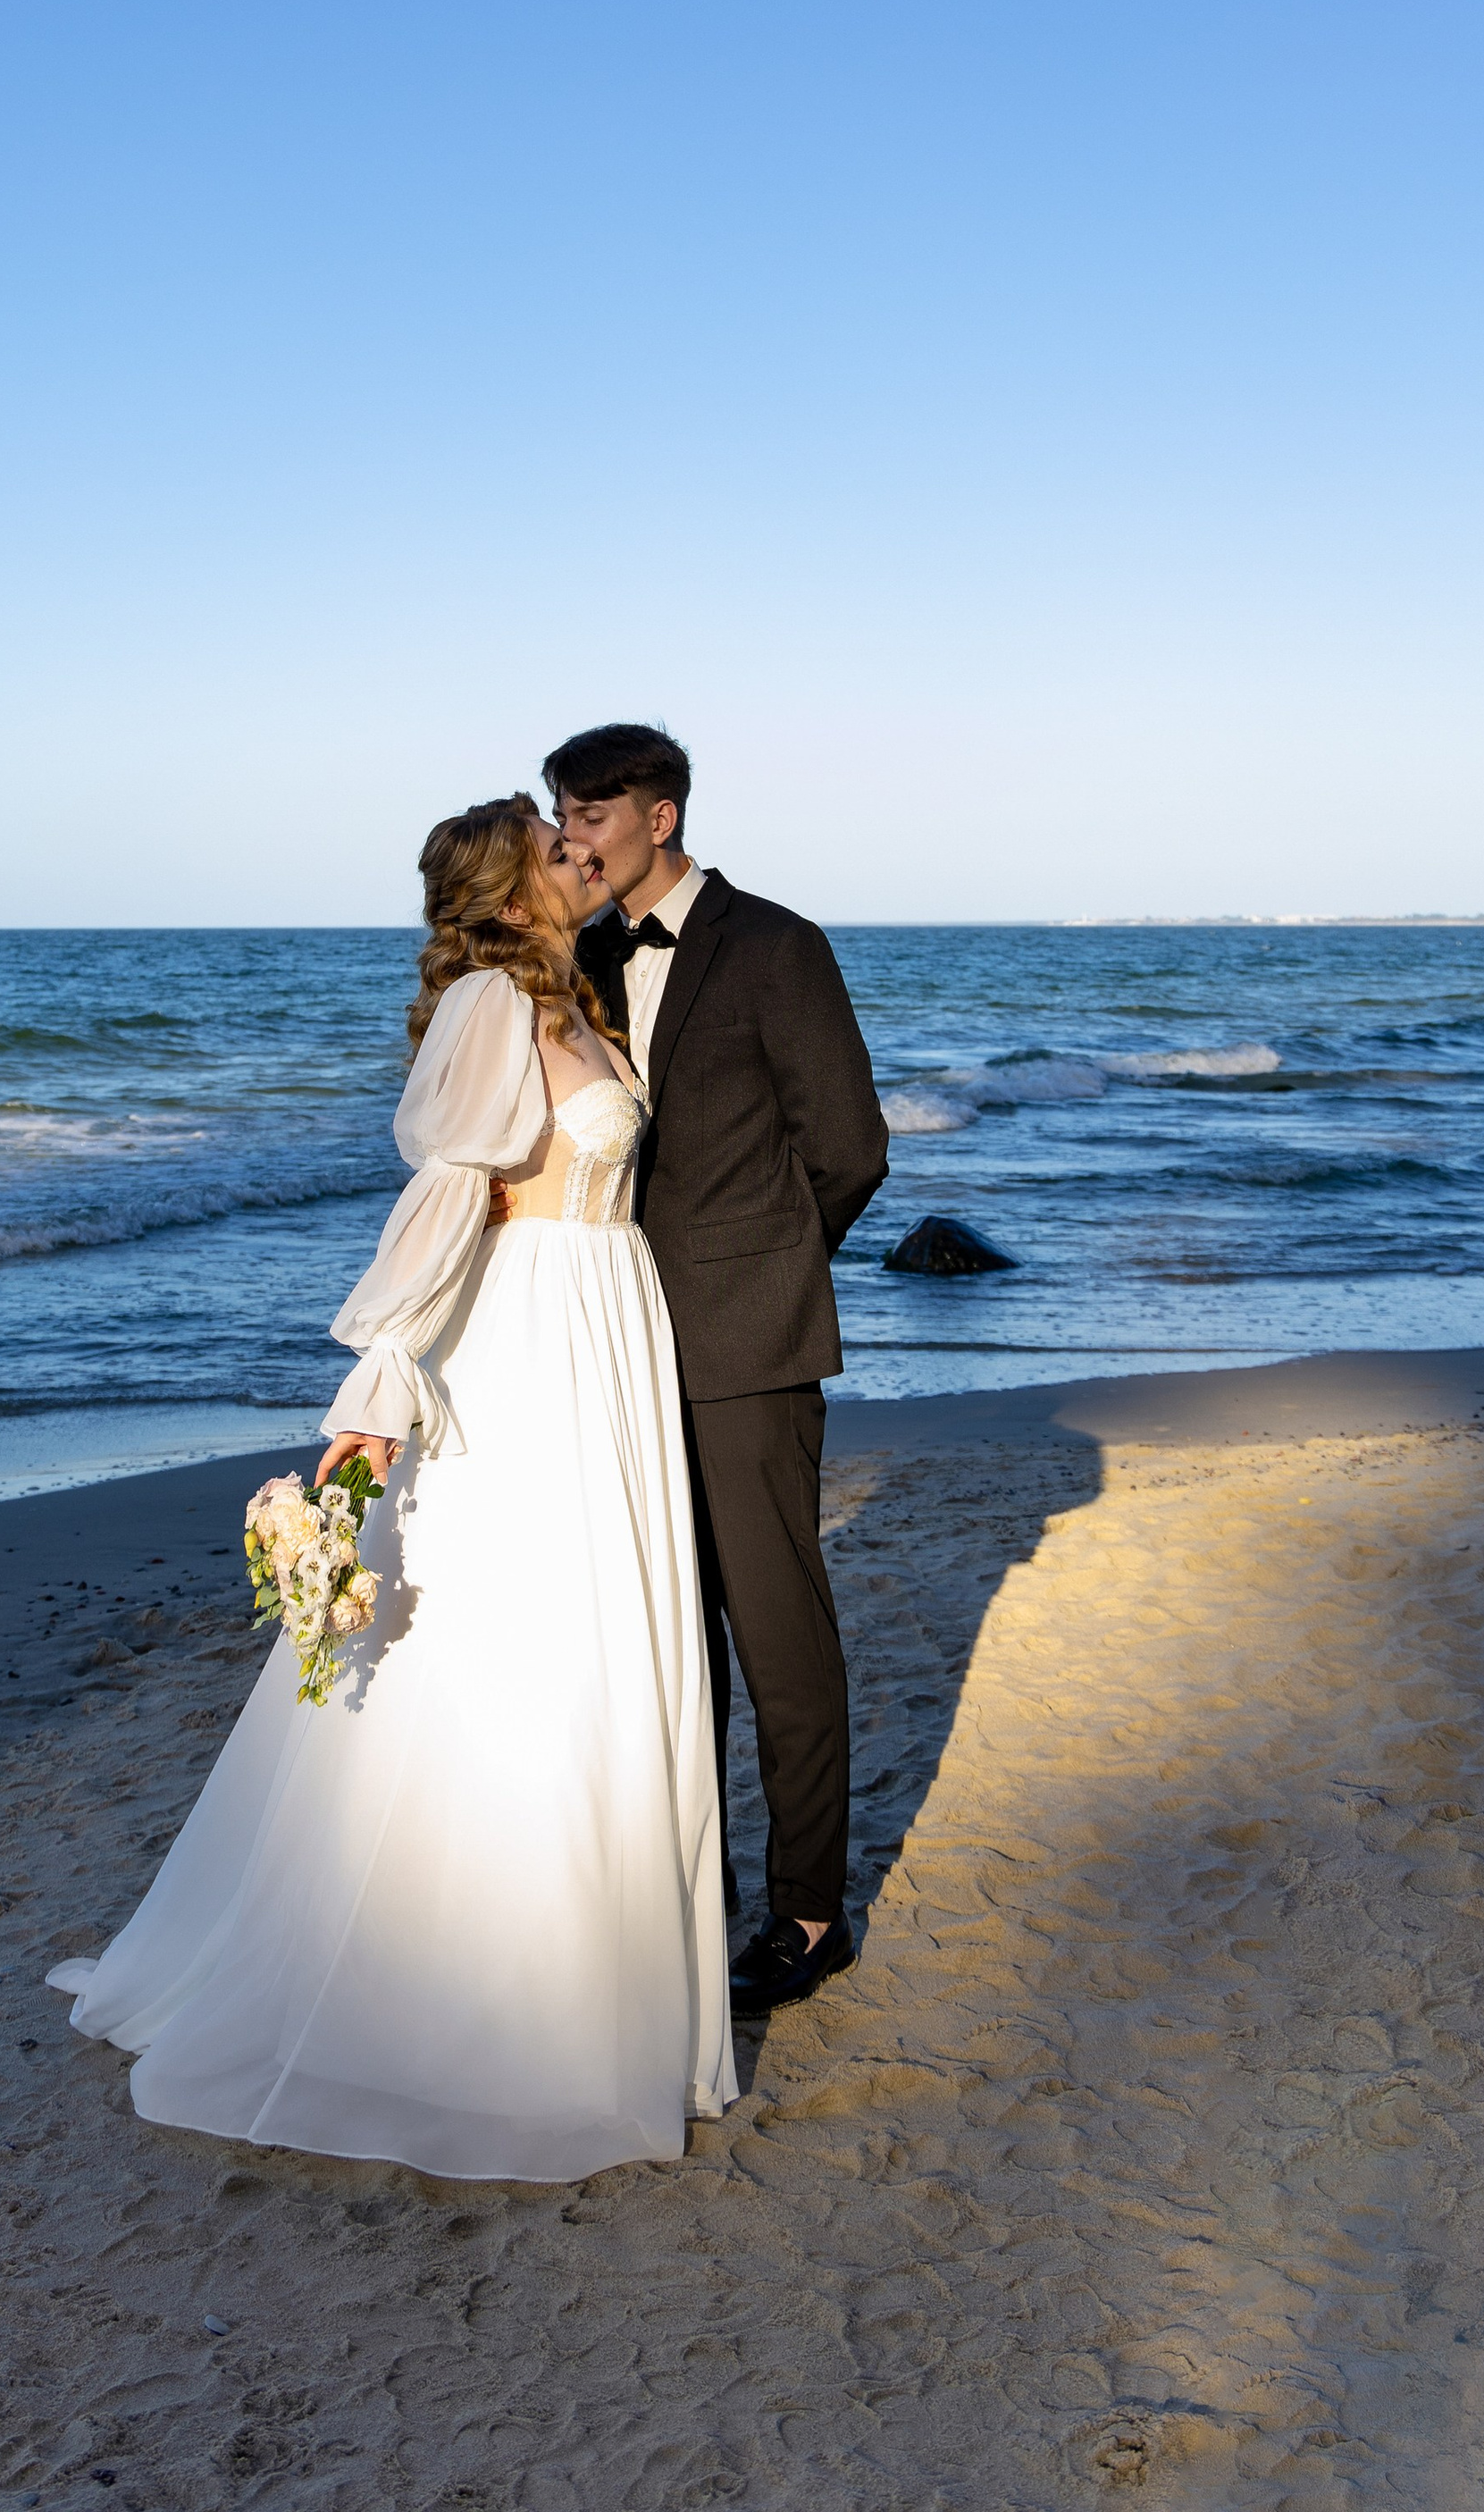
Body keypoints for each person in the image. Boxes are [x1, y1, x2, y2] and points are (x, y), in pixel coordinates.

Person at [46, 794, 734, 2181]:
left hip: (611, 1327)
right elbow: (445, 1204)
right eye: (553, 847)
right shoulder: (492, 1002)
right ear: (510, 892)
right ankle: (505, 1996)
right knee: (534, 1633)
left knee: (608, 1631)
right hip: (534, 1343)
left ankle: (617, 1984)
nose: (579, 854)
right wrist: (373, 1397)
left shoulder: (577, 999)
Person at [546, 722, 890, 2014]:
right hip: (613, 1347)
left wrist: (768, 1273)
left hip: (748, 1346)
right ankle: (689, 1906)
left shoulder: (778, 946)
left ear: (662, 816)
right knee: (664, 1639)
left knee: (778, 1632)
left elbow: (849, 1146)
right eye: (562, 815)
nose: (574, 837)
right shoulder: (577, 957)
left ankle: (809, 1913)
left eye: (592, 812)